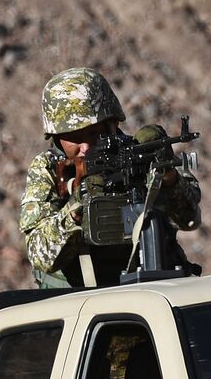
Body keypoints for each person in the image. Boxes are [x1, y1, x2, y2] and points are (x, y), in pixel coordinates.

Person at [19, 67, 201, 289]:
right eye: (73, 138)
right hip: (81, 303)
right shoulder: (48, 168)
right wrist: (78, 205)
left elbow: (189, 219)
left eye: (94, 133)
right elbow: (40, 255)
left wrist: (168, 179)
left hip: (153, 290)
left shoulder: (139, 153)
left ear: (113, 123)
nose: (85, 147)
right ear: (56, 138)